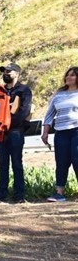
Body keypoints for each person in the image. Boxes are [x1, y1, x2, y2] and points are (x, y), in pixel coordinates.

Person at [0, 63, 32, 203]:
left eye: (9, 71)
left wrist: (9, 123)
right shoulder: (0, 90)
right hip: (1, 132)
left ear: (17, 73)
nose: (6, 74)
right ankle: (1, 194)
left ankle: (19, 195)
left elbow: (24, 111)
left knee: (16, 163)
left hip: (16, 131)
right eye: (4, 71)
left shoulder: (24, 90)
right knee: (2, 163)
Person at [42, 66, 78, 202]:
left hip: (77, 131)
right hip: (61, 132)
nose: (69, 77)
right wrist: (45, 132)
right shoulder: (58, 95)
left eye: (73, 75)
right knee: (61, 162)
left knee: (77, 159)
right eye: (67, 75)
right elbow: (49, 115)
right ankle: (59, 193)